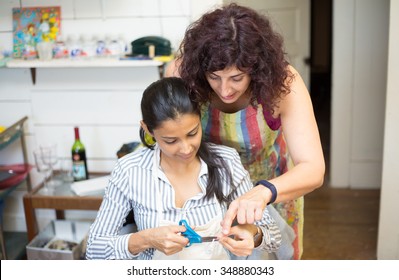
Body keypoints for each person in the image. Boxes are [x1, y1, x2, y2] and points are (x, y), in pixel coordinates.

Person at [166, 3, 325, 259]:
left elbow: (313, 169)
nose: (225, 90)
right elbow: (163, 133)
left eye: (237, 78)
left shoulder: (284, 85)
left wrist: (263, 192)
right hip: (207, 197)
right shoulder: (181, 73)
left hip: (272, 193)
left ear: (257, 68)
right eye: (214, 77)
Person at [85, 77, 282, 260]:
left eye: (192, 133)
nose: (186, 149)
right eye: (170, 141)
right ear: (147, 129)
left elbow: (272, 234)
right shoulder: (130, 170)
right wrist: (145, 239)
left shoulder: (226, 162)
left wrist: (253, 236)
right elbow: (94, 249)